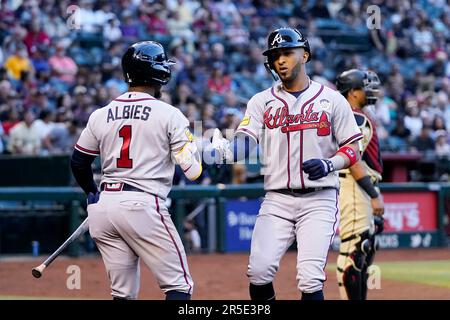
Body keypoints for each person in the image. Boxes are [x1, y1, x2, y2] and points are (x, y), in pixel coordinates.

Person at [212, 27, 363, 300]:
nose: (280, 60)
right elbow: (245, 143)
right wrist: (222, 151)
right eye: (275, 56)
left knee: (309, 279)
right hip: (277, 199)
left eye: (287, 53)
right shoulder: (261, 101)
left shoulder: (332, 100)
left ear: (304, 55)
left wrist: (330, 164)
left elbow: (354, 147)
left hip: (319, 199)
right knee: (258, 272)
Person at [70, 41, 202, 300]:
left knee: (123, 294)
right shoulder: (170, 114)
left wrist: (91, 192)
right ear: (158, 73)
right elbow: (193, 171)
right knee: (179, 286)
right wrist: (199, 151)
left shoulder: (101, 114)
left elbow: (78, 162)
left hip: (104, 208)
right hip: (143, 204)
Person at [335, 69, 385, 300]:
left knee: (365, 250)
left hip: (357, 187)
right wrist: (373, 194)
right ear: (353, 92)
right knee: (355, 251)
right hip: (354, 187)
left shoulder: (352, 116)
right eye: (365, 87)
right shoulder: (354, 118)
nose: (371, 91)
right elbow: (354, 161)